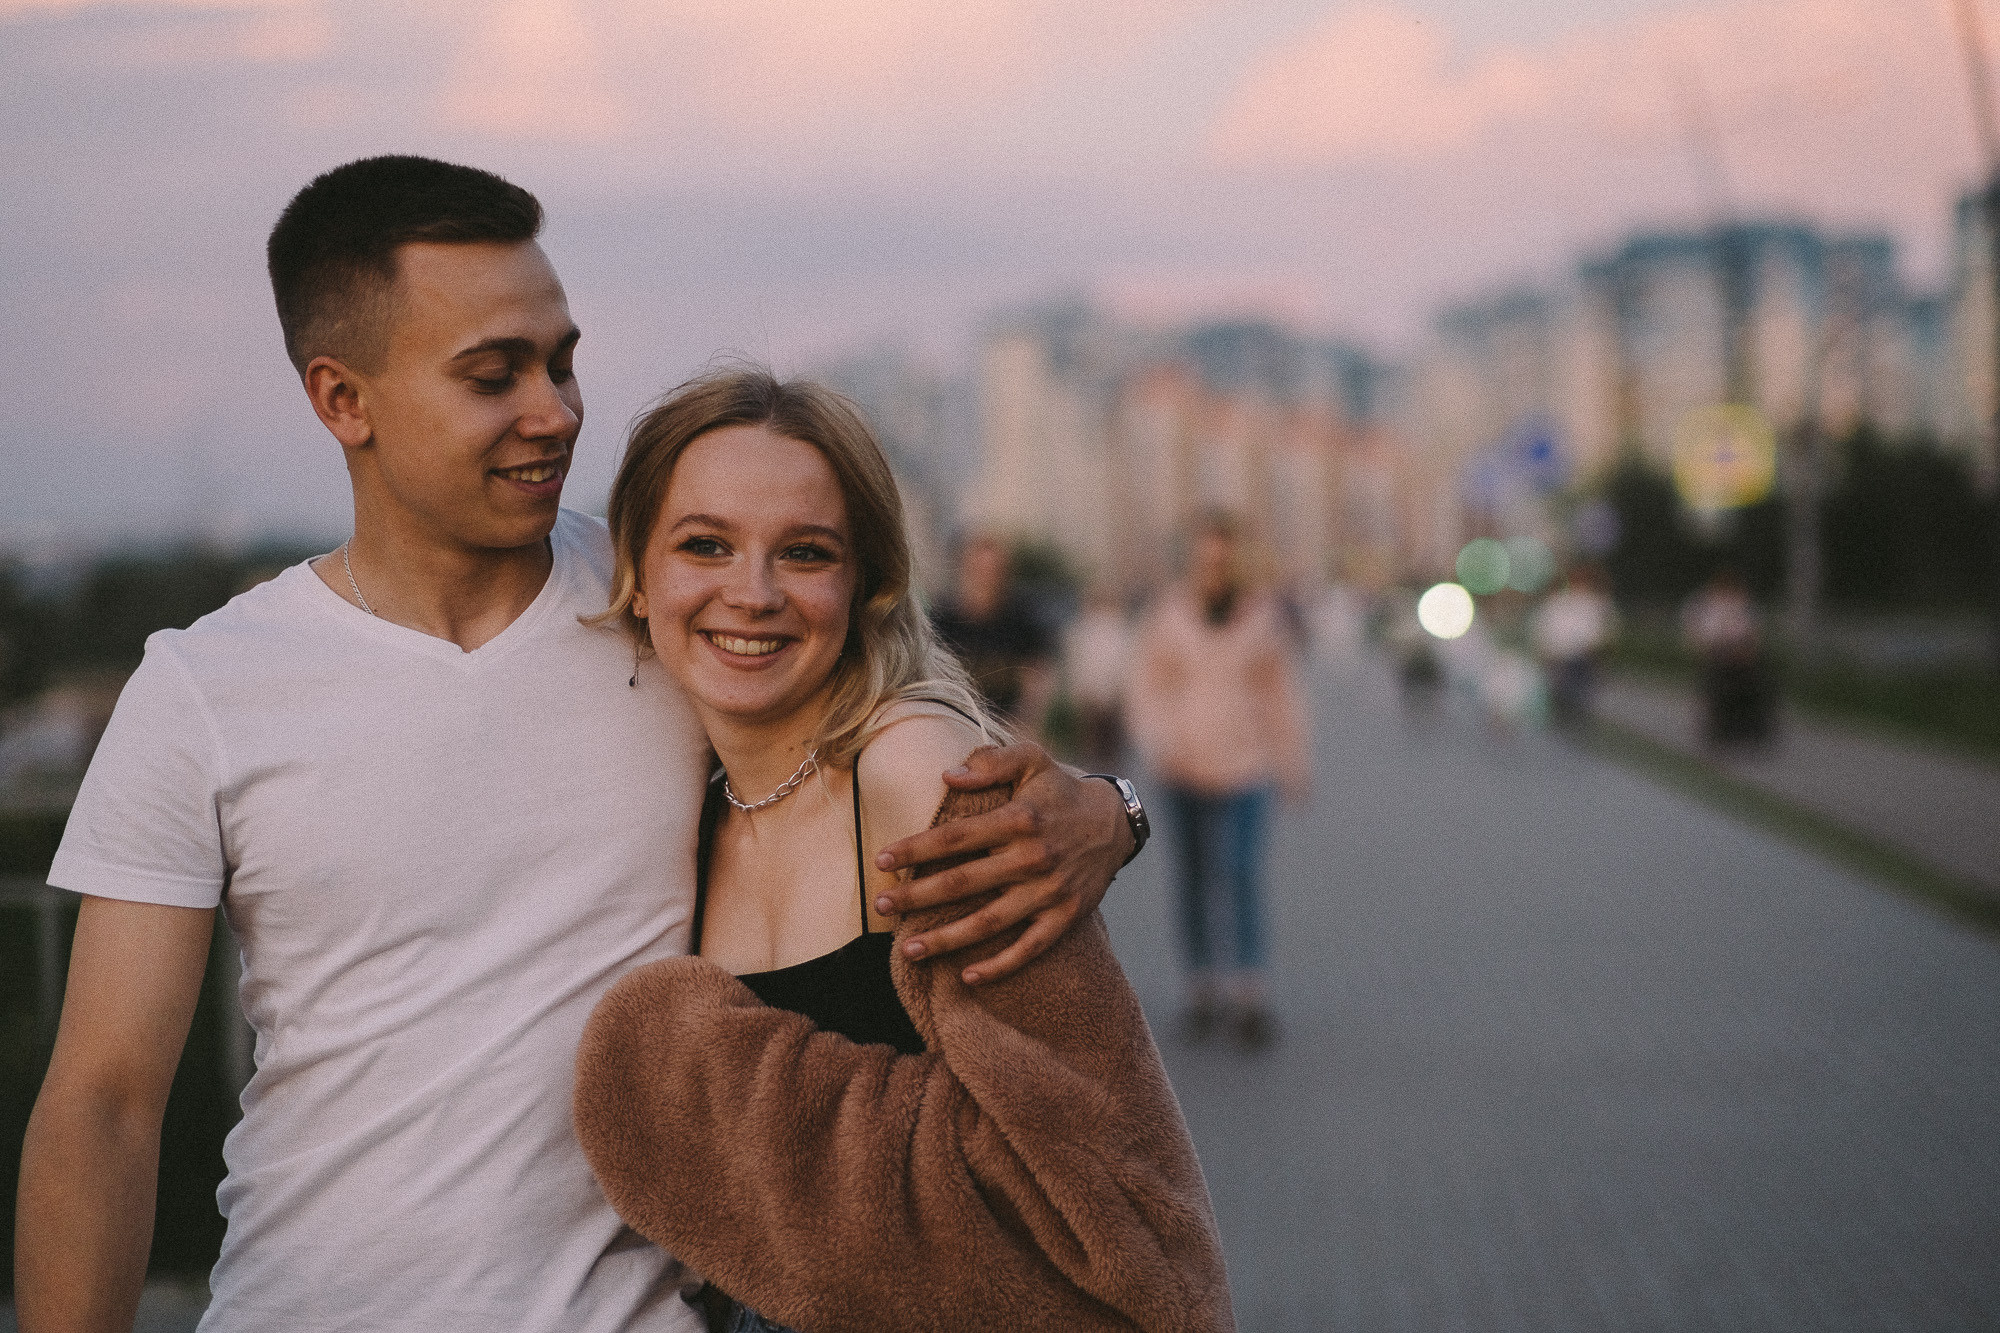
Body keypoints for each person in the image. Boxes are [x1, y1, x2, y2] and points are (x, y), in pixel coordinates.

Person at [14, 156, 1138, 1333]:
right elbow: (102, 1107)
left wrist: (1102, 807)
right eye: (494, 375)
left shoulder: (673, 600)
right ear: (344, 400)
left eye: (561, 360)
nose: (554, 410)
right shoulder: (203, 690)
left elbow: (890, 714)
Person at [570, 370, 1231, 1333]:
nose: (750, 594)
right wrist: (1116, 806)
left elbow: (1120, 1214)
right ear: (637, 572)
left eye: (804, 553)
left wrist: (726, 1094)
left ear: (867, 584)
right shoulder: (678, 800)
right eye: (704, 544)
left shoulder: (914, 772)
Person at [1127, 513, 1308, 1052]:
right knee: (1194, 878)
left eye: (1222, 557)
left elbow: (1281, 693)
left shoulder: (1263, 618)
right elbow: (1146, 686)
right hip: (1182, 769)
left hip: (1247, 766)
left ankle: (1250, 996)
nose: (1213, 567)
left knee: (1241, 871)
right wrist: (1159, 742)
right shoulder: (1167, 615)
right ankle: (1202, 989)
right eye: (1204, 557)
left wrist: (1293, 760)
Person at [929, 531, 1056, 734]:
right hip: (958, 727)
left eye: (993, 571)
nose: (986, 579)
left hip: (1010, 728)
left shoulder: (1021, 618)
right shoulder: (943, 620)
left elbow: (1036, 679)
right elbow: (934, 680)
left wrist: (1023, 723)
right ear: (964, 570)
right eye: (979, 571)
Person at [1682, 568, 1773, 748]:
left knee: (1759, 681)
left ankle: (1753, 727)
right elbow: (1697, 636)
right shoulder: (1704, 607)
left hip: (1741, 654)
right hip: (1715, 653)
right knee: (1719, 683)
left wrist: (1747, 650)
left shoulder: (1744, 607)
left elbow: (1753, 635)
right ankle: (1720, 728)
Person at [1531, 565, 1618, 728]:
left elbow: (1603, 637)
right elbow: (1546, 631)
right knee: (1560, 705)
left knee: (1577, 707)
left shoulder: (1596, 604)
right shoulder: (1559, 602)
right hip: (1559, 660)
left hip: (1582, 662)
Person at [1061, 584, 1131, 770]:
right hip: (1091, 703)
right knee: (1092, 754)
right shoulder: (1085, 629)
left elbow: (1123, 668)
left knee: (1108, 755)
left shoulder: (1117, 629)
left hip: (1111, 705)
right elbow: (1078, 667)